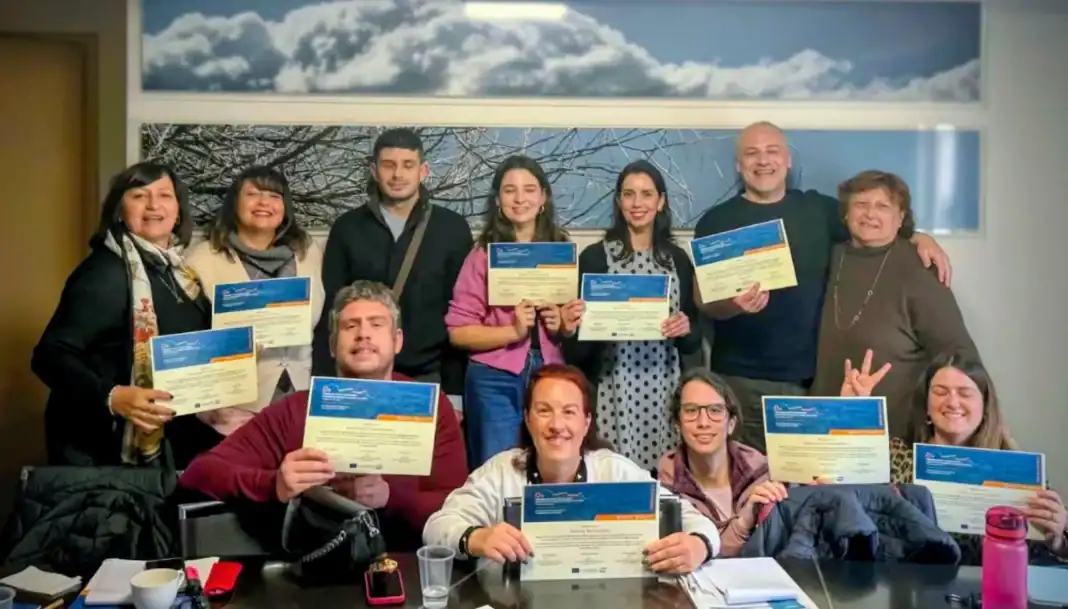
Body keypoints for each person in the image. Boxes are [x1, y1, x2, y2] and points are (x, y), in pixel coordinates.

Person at [692, 121, 952, 453]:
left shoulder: (820, 210)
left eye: (772, 151)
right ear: (739, 164)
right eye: (752, 153)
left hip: (814, 383)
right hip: (740, 381)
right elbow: (701, 298)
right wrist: (732, 304)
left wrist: (918, 237)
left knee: (806, 478)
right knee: (747, 476)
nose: (763, 160)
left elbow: (871, 226)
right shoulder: (715, 221)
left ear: (787, 160)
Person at [178, 281, 468, 550]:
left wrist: (391, 497)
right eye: (350, 326)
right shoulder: (295, 409)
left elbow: (455, 506)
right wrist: (274, 484)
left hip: (408, 561)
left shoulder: (431, 407)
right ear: (331, 345)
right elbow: (199, 473)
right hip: (313, 563)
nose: (363, 334)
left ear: (397, 341)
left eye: (376, 324)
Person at [422, 364, 721, 574]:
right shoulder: (500, 472)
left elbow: (696, 521)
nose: (557, 425)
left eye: (569, 412)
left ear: (586, 422)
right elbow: (436, 527)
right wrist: (477, 538)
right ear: (527, 419)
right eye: (544, 411)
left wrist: (698, 546)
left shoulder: (614, 472)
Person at [32, 161, 218, 467]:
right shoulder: (105, 272)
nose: (153, 205)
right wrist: (113, 397)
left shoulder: (180, 275)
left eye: (164, 195)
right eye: (139, 195)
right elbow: (50, 356)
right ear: (120, 210)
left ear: (178, 212)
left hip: (170, 440)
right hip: (101, 450)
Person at [658, 358, 889, 557]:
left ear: (731, 423)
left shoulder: (767, 470)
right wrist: (745, 520)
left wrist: (849, 411)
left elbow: (828, 479)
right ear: (677, 424)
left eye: (715, 411)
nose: (703, 422)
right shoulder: (665, 490)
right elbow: (707, 553)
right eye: (691, 411)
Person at [810, 170, 980, 436]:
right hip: (826, 426)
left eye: (882, 206)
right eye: (861, 204)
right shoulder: (831, 255)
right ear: (845, 214)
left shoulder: (919, 268)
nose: (870, 214)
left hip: (895, 436)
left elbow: (958, 354)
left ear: (900, 218)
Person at [314, 128, 473, 402]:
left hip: (429, 377)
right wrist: (325, 383)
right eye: (389, 165)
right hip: (358, 375)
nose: (398, 174)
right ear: (374, 170)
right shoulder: (347, 228)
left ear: (423, 171)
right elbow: (331, 312)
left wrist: (456, 391)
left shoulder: (452, 229)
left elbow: (461, 312)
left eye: (407, 165)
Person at [565, 160, 701, 470]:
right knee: (611, 473)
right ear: (619, 201)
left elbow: (693, 341)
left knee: (663, 476)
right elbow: (577, 350)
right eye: (629, 194)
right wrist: (573, 327)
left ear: (661, 201)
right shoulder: (595, 258)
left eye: (646, 194)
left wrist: (685, 328)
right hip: (611, 388)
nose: (637, 203)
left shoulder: (677, 259)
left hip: (664, 387)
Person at [446, 155, 576, 469]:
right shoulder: (482, 254)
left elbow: (568, 326)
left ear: (543, 197)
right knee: (498, 470)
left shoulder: (561, 250)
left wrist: (562, 325)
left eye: (529, 189)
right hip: (493, 379)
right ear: (497, 200)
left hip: (550, 374)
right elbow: (458, 331)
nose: (520, 199)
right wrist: (512, 332)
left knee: (550, 466)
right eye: (509, 190)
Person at [885, 353, 1068, 565]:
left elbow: (1047, 553)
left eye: (965, 393)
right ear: (926, 405)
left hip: (995, 580)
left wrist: (1057, 541)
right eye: (940, 392)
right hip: (909, 579)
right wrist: (858, 409)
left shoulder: (1018, 469)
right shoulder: (893, 455)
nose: (952, 402)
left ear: (985, 406)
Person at [185, 165, 325, 435]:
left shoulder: (309, 254)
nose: (263, 202)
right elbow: (189, 341)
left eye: (274, 196)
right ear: (234, 203)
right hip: (233, 410)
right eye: (253, 194)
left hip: (301, 401)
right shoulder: (202, 260)